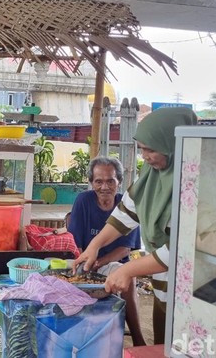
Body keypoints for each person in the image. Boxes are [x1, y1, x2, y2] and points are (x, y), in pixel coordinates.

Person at [74, 107, 198, 345]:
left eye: (150, 149)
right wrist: (94, 246)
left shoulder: (192, 182)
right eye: (141, 149)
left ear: (174, 145)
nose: (145, 156)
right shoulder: (152, 176)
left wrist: (127, 271)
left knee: (185, 344)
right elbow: (124, 216)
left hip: (192, 291)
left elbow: (180, 249)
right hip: (164, 284)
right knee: (164, 343)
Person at [67, 156, 145, 346]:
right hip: (83, 262)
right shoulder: (83, 201)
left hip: (109, 264)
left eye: (110, 180)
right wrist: (85, 264)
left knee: (128, 275)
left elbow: (125, 248)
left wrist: (98, 263)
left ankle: (138, 337)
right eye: (98, 181)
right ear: (91, 182)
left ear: (119, 181)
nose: (104, 187)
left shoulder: (127, 205)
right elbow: (74, 243)